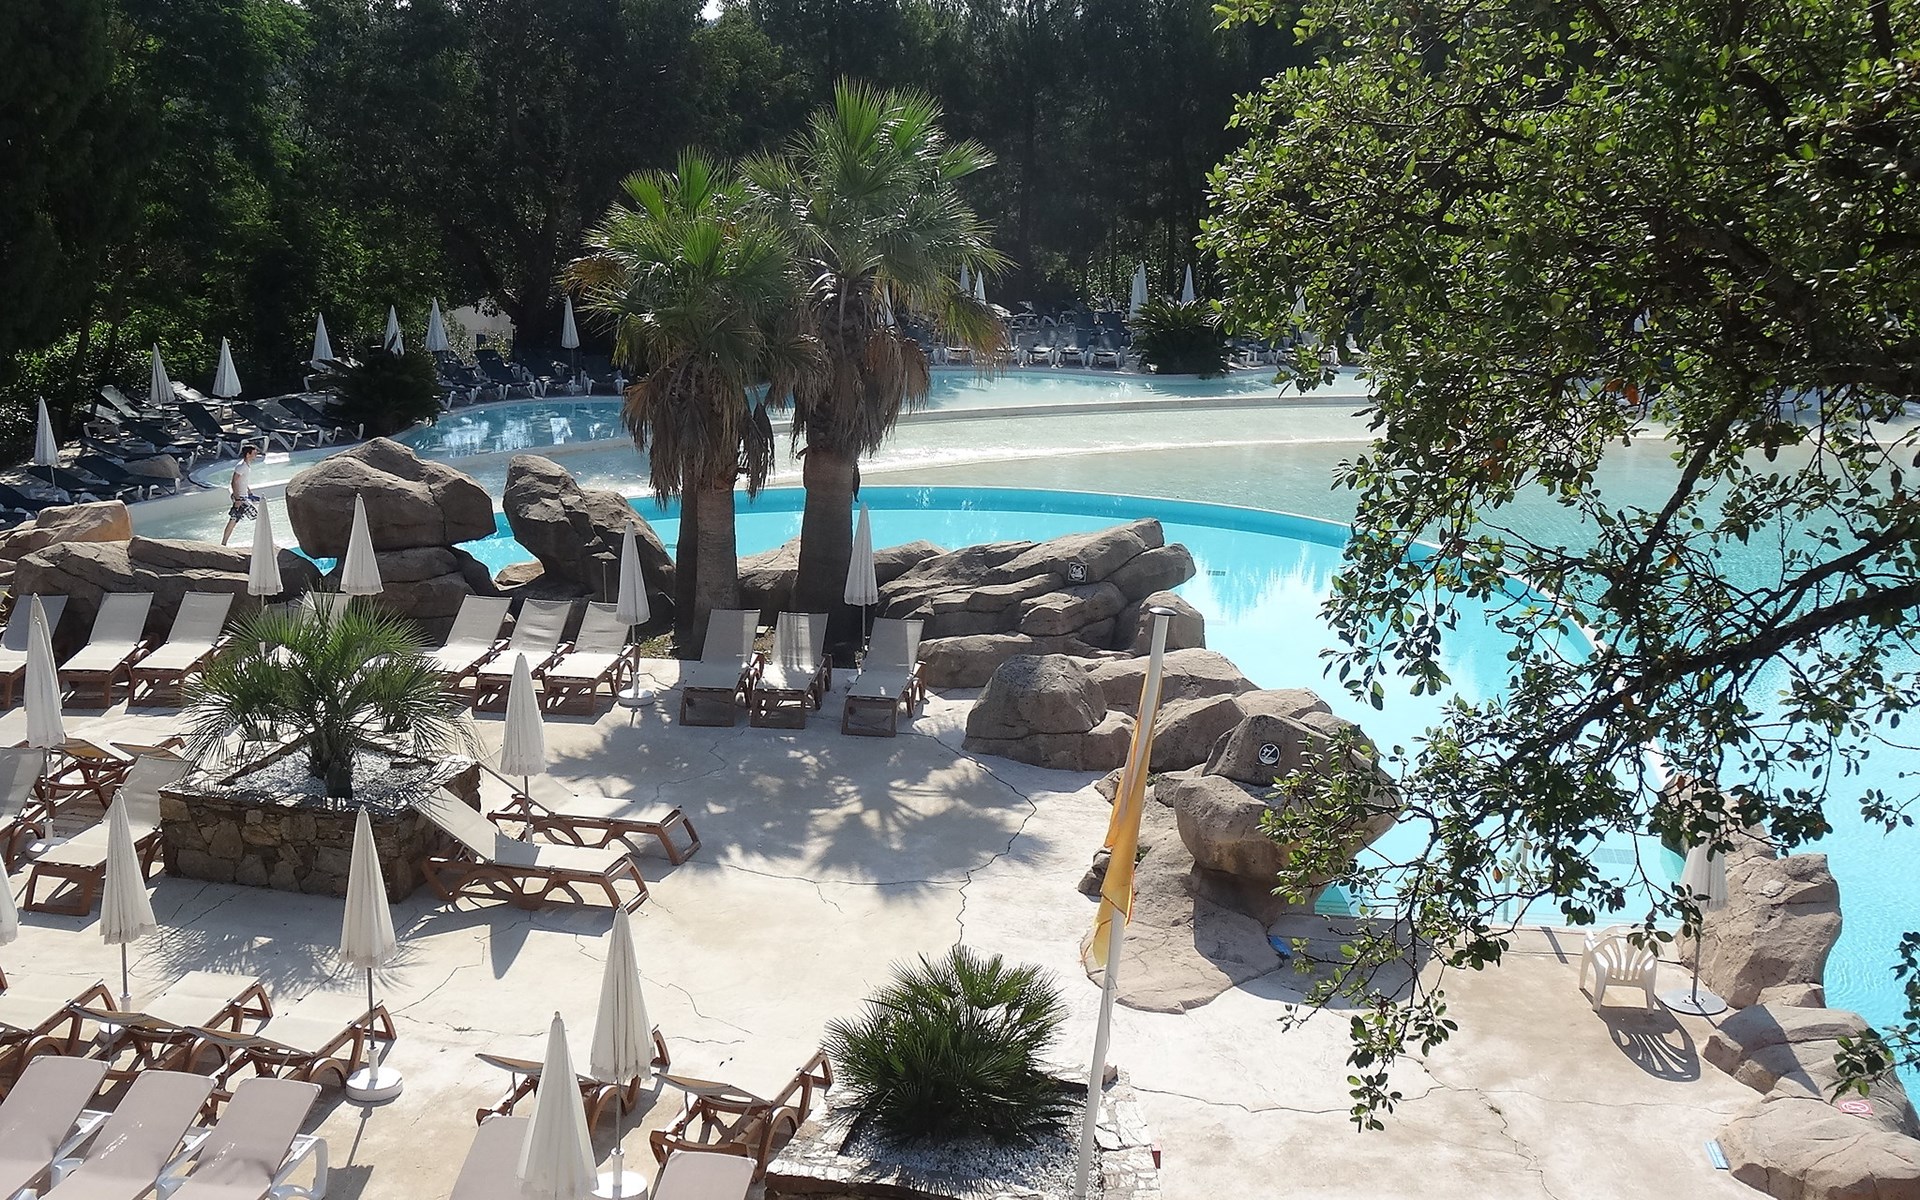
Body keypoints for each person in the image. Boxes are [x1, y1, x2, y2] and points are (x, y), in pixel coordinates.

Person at [219, 445, 263, 545]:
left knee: (234, 519)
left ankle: (224, 542)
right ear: (248, 454)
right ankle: (261, 541)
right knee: (258, 516)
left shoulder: (246, 466)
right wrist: (237, 499)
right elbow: (234, 482)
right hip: (240, 498)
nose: (256, 455)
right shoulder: (241, 466)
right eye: (254, 453)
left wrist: (249, 492)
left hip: (243, 496)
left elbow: (243, 481)